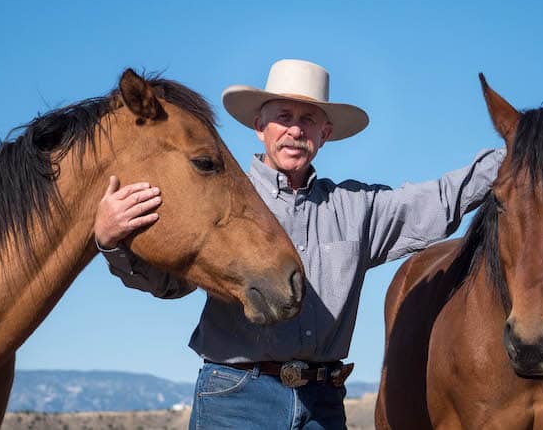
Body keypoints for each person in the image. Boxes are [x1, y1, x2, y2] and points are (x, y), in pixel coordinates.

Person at [94, 59, 504, 429]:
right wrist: (112, 243)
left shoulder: (357, 209)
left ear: (325, 134)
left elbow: (443, 197)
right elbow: (170, 283)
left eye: (308, 120)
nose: (295, 129)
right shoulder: (220, 197)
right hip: (236, 398)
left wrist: (526, 149)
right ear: (260, 127)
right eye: (283, 117)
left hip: (322, 402)